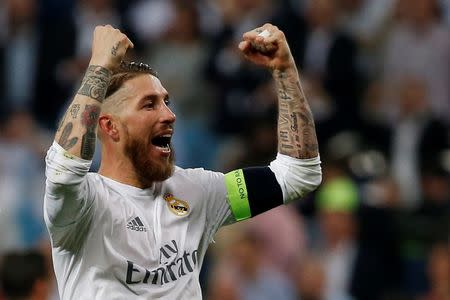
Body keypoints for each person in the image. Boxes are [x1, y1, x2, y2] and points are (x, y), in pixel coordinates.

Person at [43, 24, 322, 299]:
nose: (169, 115)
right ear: (110, 127)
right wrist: (100, 66)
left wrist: (284, 71)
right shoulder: (82, 204)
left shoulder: (197, 192)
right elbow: (64, 169)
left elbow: (297, 175)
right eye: (149, 105)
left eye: (166, 102)